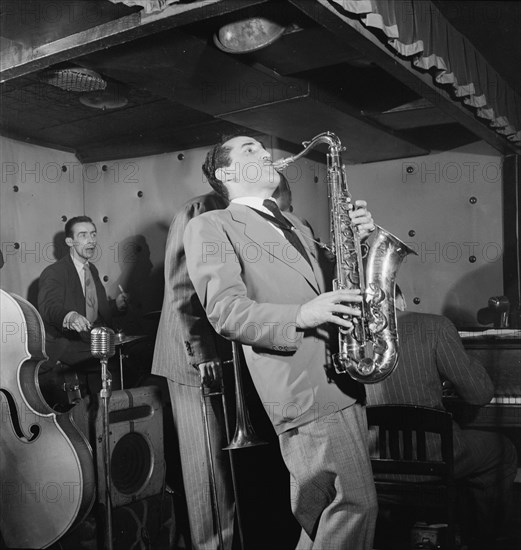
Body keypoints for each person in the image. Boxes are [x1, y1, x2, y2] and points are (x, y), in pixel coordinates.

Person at [183, 134, 379, 550]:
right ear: (226, 173)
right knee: (353, 506)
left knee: (327, 515)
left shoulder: (296, 224)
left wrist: (362, 244)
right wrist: (300, 315)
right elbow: (226, 312)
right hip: (301, 386)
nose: (267, 154)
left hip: (344, 377)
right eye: (250, 149)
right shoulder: (210, 225)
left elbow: (343, 288)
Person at [366, 288, 518, 550]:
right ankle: (484, 539)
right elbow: (479, 394)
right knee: (502, 451)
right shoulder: (434, 326)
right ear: (400, 299)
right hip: (434, 457)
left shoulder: (348, 338)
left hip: (372, 460)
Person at [151, 190, 237, 550]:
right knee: (208, 471)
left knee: (224, 472)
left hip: (218, 357)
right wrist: (202, 352)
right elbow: (184, 287)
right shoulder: (199, 210)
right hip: (194, 362)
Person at [38, 216, 128, 392]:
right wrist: (69, 316)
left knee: (121, 356)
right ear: (69, 241)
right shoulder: (54, 272)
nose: (91, 241)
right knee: (111, 360)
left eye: (93, 235)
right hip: (66, 344)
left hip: (88, 341)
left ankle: (106, 412)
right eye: (83, 235)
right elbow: (48, 306)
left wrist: (115, 306)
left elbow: (92, 310)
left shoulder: (91, 269)